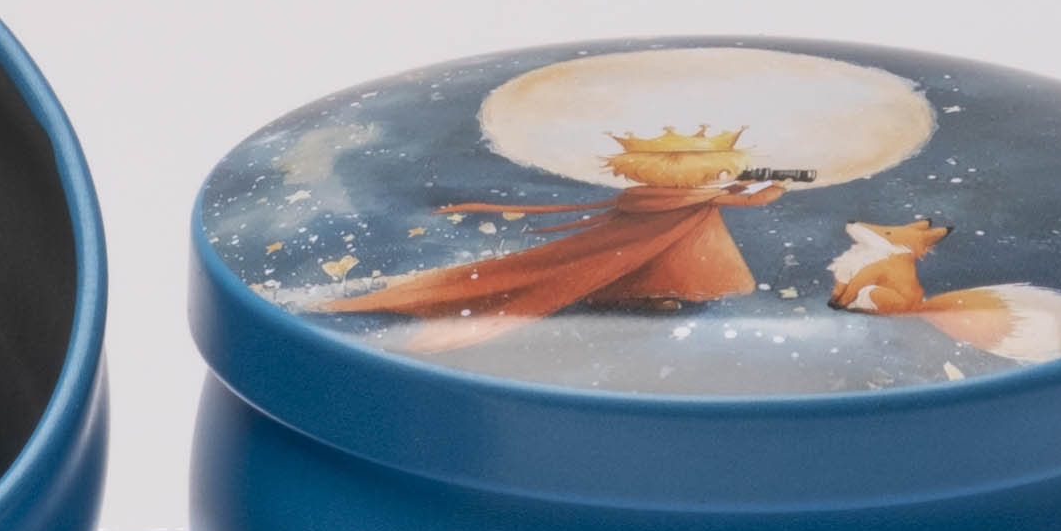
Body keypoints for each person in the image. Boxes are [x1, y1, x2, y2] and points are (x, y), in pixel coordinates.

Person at [322, 125, 791, 348]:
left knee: (655, 272)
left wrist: (729, 188)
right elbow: (747, 201)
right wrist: (778, 186)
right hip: (676, 253)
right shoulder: (680, 197)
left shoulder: (664, 195)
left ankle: (654, 297)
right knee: (655, 274)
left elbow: (716, 195)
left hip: (675, 251)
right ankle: (653, 298)